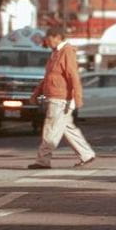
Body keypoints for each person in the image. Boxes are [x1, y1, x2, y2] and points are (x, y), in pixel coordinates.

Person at [27, 26, 96, 169]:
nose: (47, 42)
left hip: (61, 98)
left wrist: (77, 96)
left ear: (57, 37)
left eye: (49, 39)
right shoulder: (55, 53)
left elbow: (73, 75)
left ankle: (43, 160)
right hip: (56, 97)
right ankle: (86, 154)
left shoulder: (66, 51)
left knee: (51, 128)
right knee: (67, 128)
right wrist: (36, 93)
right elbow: (48, 77)